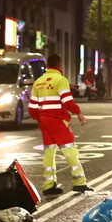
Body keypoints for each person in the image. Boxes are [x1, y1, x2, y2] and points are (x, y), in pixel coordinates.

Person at [28, 53, 89, 195]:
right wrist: (78, 113)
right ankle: (79, 183)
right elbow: (67, 101)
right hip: (58, 119)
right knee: (69, 150)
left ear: (47, 65)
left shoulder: (39, 82)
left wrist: (40, 118)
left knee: (49, 152)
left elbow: (32, 107)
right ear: (60, 65)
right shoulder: (61, 80)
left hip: (44, 120)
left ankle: (49, 185)